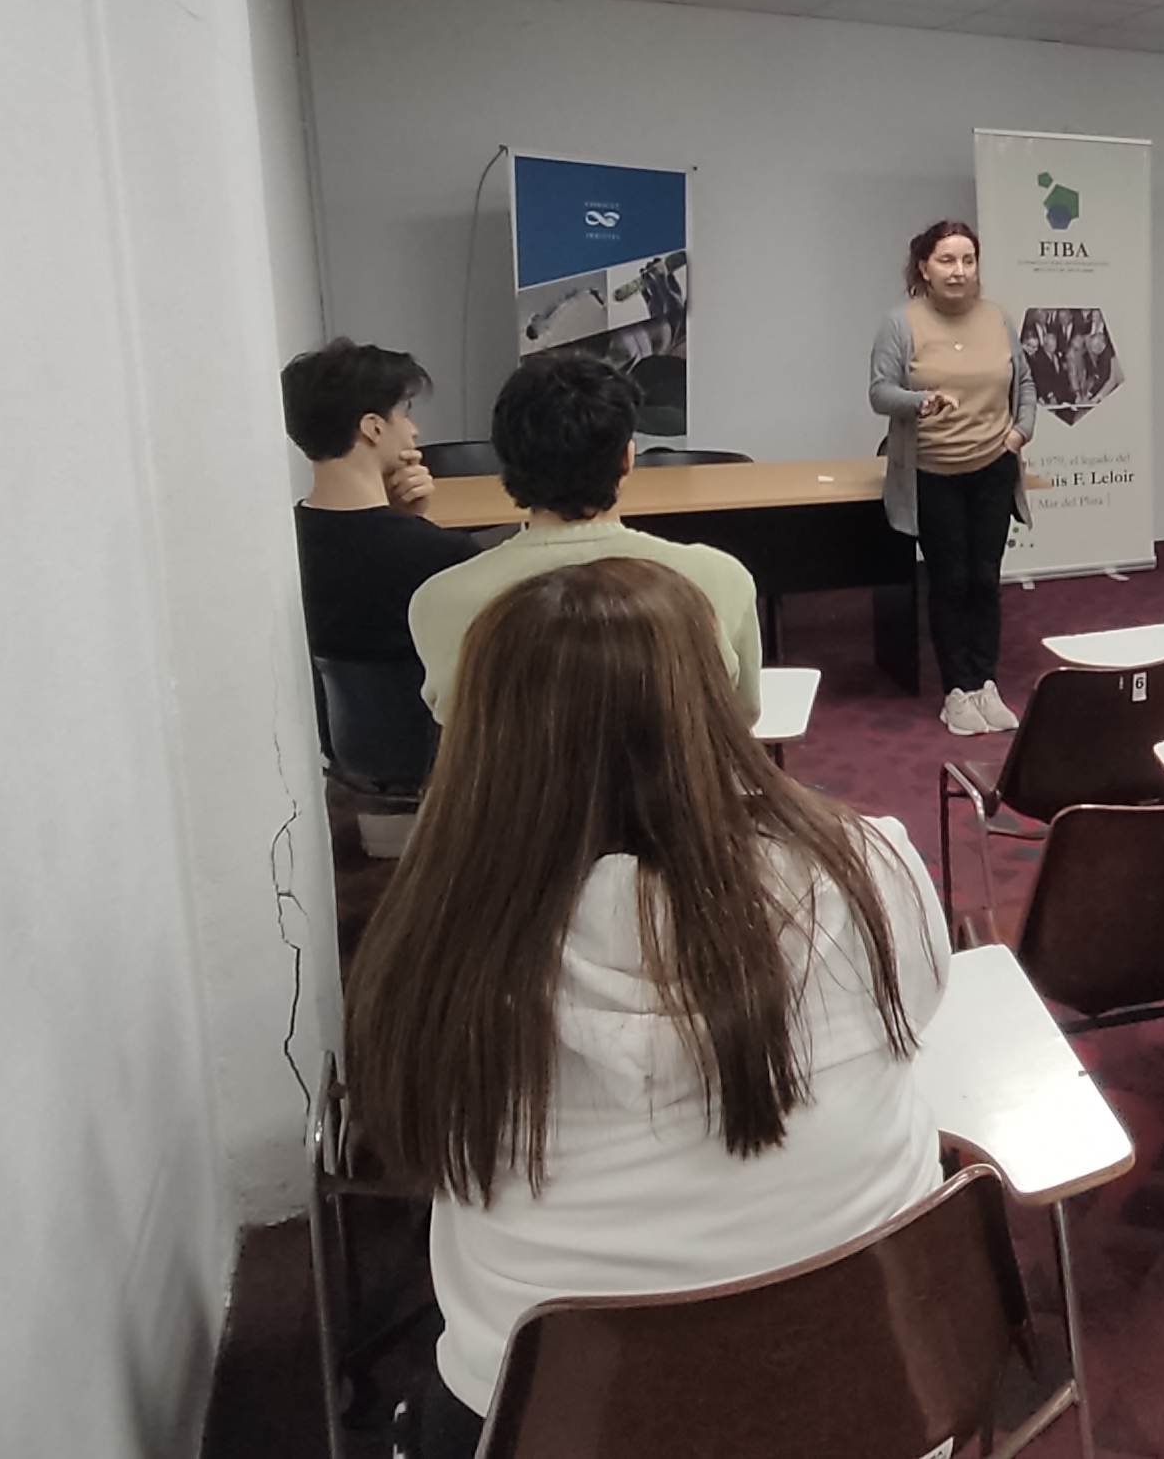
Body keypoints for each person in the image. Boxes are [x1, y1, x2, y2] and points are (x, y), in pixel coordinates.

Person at [347, 558, 950, 1459]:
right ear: (714, 705)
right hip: (878, 1408)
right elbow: (924, 1005)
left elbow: (414, 1138)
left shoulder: (440, 950)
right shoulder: (872, 868)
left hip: (554, 1425)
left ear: (484, 740)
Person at [407, 351, 763, 724]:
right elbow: (741, 715)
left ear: (505, 462)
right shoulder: (720, 578)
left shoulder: (439, 601)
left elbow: (456, 727)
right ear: (627, 460)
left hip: (514, 785)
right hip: (676, 783)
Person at [869, 220, 1039, 736]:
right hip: (932, 472)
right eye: (947, 260)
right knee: (951, 579)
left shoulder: (997, 318)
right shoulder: (902, 323)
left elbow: (1026, 382)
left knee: (985, 578)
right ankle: (957, 691)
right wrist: (923, 401)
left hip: (992, 468)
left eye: (968, 260)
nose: (959, 271)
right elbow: (880, 392)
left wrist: (1019, 435)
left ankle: (985, 682)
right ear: (924, 267)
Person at [281, 338, 476, 670]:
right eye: (404, 413)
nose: (414, 430)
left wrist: (405, 517)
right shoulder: (446, 557)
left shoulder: (283, 547)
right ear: (373, 427)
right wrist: (415, 524)